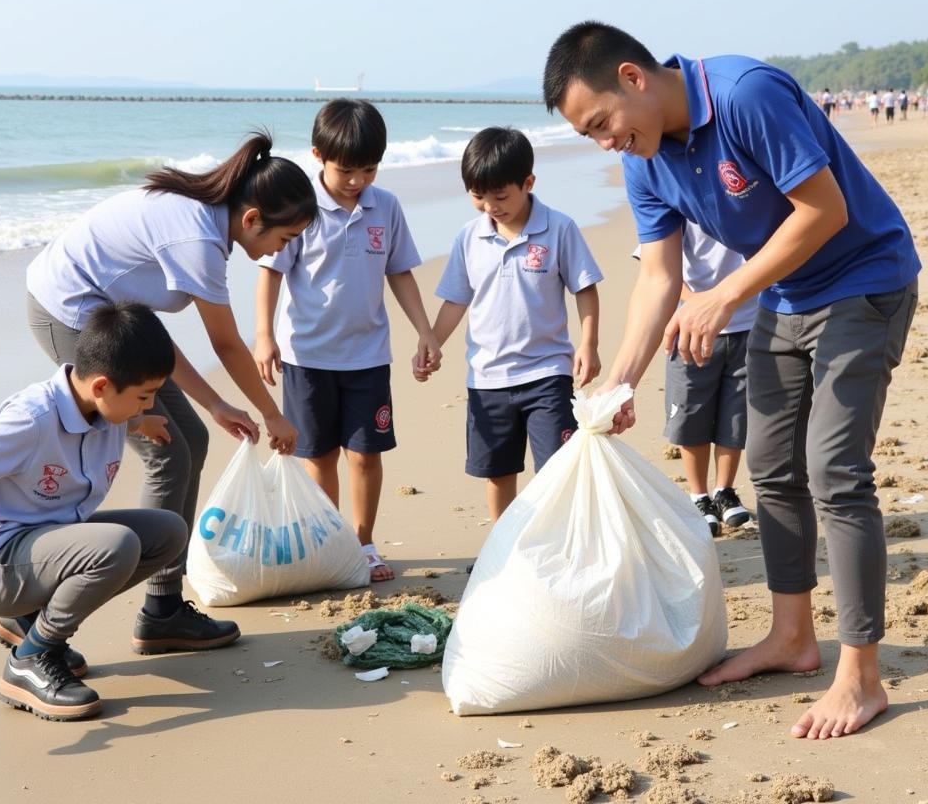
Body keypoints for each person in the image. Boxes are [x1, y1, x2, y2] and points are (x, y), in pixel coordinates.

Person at [544, 21, 919, 740]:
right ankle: (792, 637)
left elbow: (826, 209)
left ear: (632, 77)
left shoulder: (745, 94)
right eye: (589, 136)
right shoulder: (643, 158)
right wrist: (620, 381)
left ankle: (861, 673)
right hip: (783, 296)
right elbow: (658, 279)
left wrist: (723, 295)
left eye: (602, 124)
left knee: (835, 471)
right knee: (774, 469)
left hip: (865, 278)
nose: (605, 142)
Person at [25, 132, 317, 651]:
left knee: (192, 440)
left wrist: (218, 404)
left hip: (110, 317)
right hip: (67, 314)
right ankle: (41, 614)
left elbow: (150, 335)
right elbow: (228, 344)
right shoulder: (199, 240)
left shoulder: (206, 220)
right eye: (286, 237)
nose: (283, 249)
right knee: (167, 455)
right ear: (252, 218)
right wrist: (273, 415)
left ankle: (163, 609)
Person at [0, 303, 190, 721]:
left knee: (168, 532)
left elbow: (117, 418)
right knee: (115, 546)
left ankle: (26, 620)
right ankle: (31, 657)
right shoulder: (32, 419)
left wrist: (142, 424)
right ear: (101, 385)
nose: (149, 405)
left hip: (43, 548)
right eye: (144, 397)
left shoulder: (105, 408)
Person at [254, 100, 440, 582]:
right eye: (346, 170)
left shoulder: (387, 207)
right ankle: (329, 544)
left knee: (365, 454)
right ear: (318, 156)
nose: (358, 180)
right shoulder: (301, 209)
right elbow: (270, 274)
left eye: (369, 169)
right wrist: (263, 336)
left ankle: (363, 542)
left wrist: (424, 331)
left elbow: (400, 273)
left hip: (368, 356)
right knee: (318, 457)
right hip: (307, 356)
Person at [422, 127, 602, 521]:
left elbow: (584, 289)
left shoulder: (559, 228)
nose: (490, 206)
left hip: (547, 373)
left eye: (501, 196)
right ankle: (503, 546)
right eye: (478, 196)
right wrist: (432, 341)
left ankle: (556, 542)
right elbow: (456, 300)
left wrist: (588, 344)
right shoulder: (469, 238)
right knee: (497, 473)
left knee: (557, 468)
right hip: (487, 379)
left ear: (528, 183)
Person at [637, 222, 755, 536]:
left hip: (748, 323)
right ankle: (698, 495)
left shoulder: (747, 196)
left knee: (736, 415)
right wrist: (699, 303)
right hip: (691, 327)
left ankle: (725, 491)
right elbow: (657, 271)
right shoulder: (676, 203)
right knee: (693, 413)